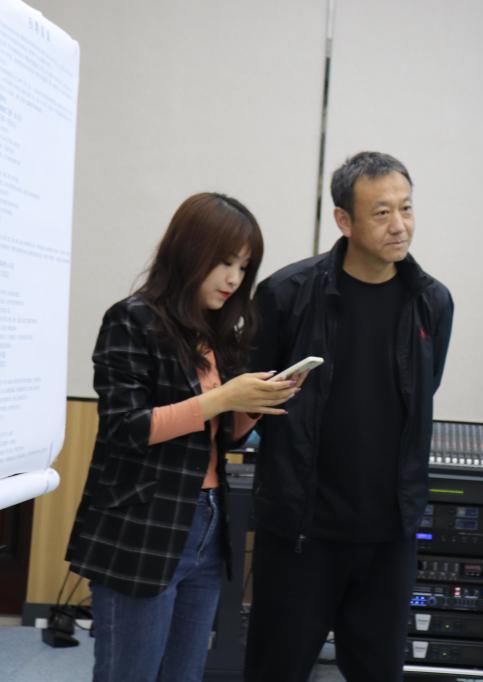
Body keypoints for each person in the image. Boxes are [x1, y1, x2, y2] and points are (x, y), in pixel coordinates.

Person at [65, 193, 298, 682]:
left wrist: (253, 405)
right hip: (143, 521)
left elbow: (220, 438)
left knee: (185, 674)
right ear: (189, 252)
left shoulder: (214, 333)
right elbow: (126, 427)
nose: (234, 279)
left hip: (209, 522)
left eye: (244, 266)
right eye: (224, 262)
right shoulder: (132, 319)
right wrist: (223, 397)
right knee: (130, 673)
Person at [243, 151, 454, 682]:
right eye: (382, 212)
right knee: (275, 670)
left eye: (406, 208)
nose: (399, 225)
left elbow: (423, 390)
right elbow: (252, 401)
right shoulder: (287, 295)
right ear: (344, 220)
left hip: (388, 537)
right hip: (301, 533)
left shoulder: (432, 302)